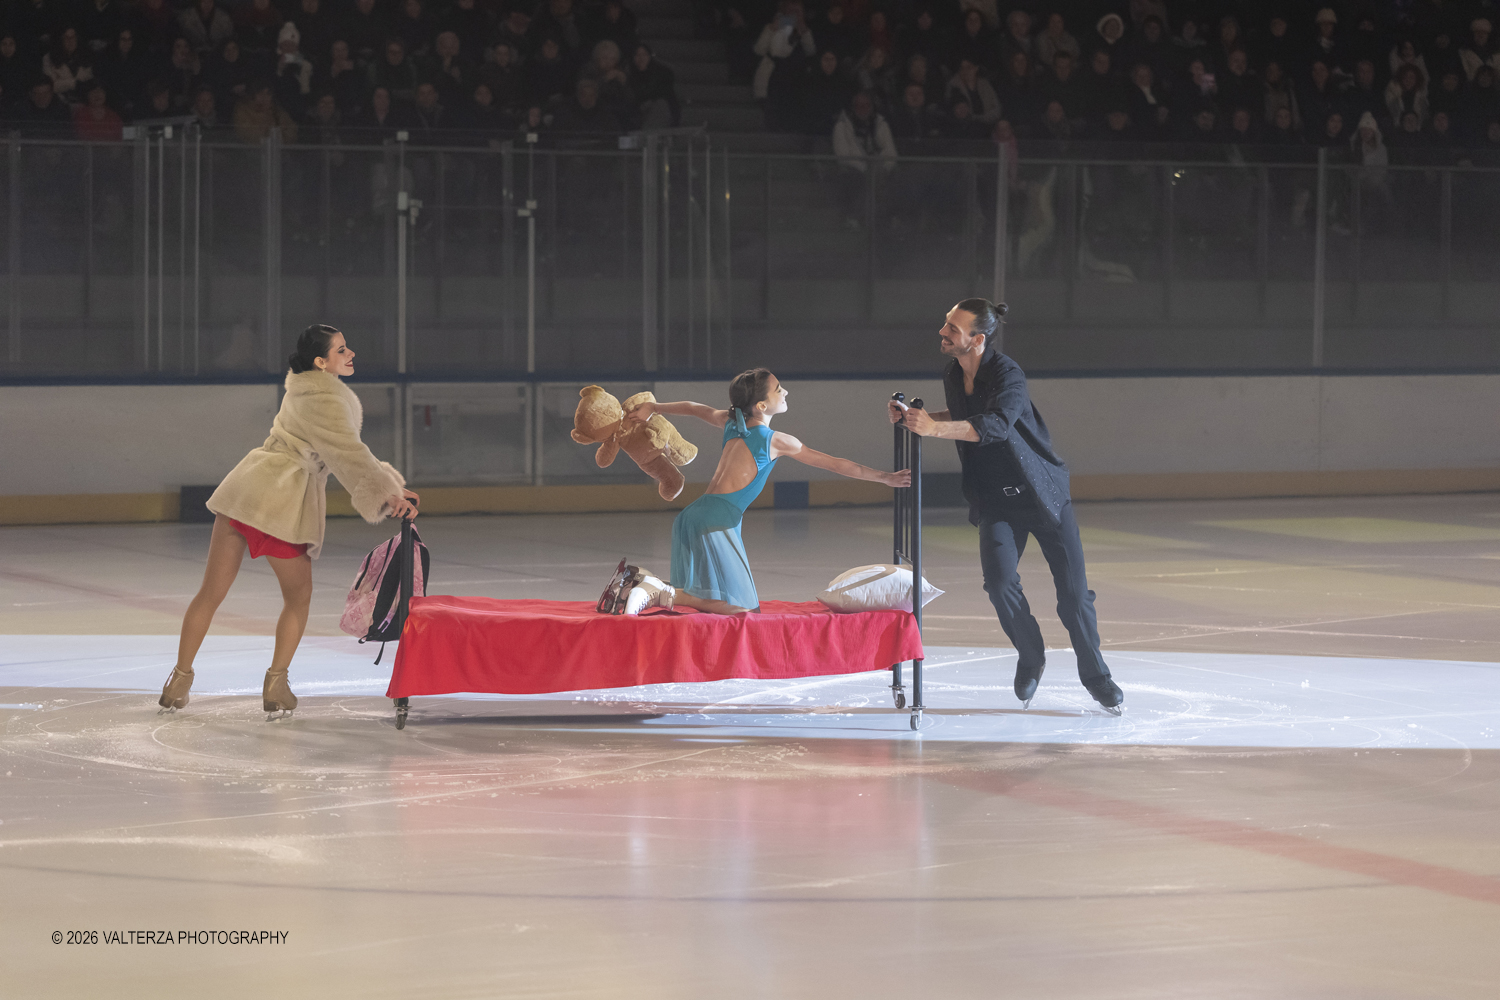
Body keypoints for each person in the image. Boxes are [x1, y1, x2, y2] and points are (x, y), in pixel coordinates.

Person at [157, 324, 419, 718]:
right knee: (298, 598)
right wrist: (388, 494)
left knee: (210, 593)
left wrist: (390, 487)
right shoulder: (326, 398)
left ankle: (179, 680)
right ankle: (276, 685)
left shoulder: (303, 388)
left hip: (247, 488)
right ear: (321, 361)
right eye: (342, 350)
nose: (350, 355)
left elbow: (340, 452)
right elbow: (348, 452)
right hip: (280, 499)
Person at [887, 299, 1124, 714]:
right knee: (998, 584)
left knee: (1073, 598)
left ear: (977, 340)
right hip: (996, 500)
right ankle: (1031, 656)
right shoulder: (952, 372)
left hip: (1043, 495)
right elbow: (964, 414)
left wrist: (936, 428)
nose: (942, 333)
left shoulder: (1007, 373)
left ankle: (1097, 678)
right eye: (945, 324)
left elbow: (996, 424)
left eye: (952, 329)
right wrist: (917, 418)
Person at [620, 369, 909, 615]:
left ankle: (644, 582)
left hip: (694, 516)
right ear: (761, 405)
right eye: (778, 390)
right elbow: (836, 464)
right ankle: (658, 591)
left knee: (714, 601)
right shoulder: (777, 441)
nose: (786, 392)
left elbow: (696, 408)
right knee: (743, 610)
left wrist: (655, 408)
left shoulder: (733, 422)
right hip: (716, 521)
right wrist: (884, 478)